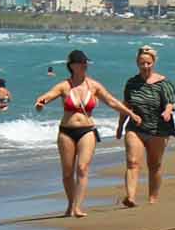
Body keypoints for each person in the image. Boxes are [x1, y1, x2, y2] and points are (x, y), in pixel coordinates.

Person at [33, 50, 143, 219]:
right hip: (66, 132)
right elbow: (47, 96)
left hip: (87, 131)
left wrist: (130, 114)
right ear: (72, 66)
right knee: (68, 173)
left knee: (82, 168)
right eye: (81, 62)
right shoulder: (64, 86)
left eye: (86, 62)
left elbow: (112, 101)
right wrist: (41, 103)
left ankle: (78, 207)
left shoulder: (93, 86)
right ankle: (70, 205)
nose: (84, 65)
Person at [119, 46, 175, 208]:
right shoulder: (132, 83)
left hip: (159, 129)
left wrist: (167, 111)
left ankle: (153, 198)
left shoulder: (163, 83)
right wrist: (119, 126)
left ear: (154, 63)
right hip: (135, 128)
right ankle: (130, 197)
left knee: (154, 164)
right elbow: (127, 106)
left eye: (148, 63)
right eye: (142, 63)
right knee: (132, 162)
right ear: (137, 63)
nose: (145, 66)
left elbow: (170, 103)